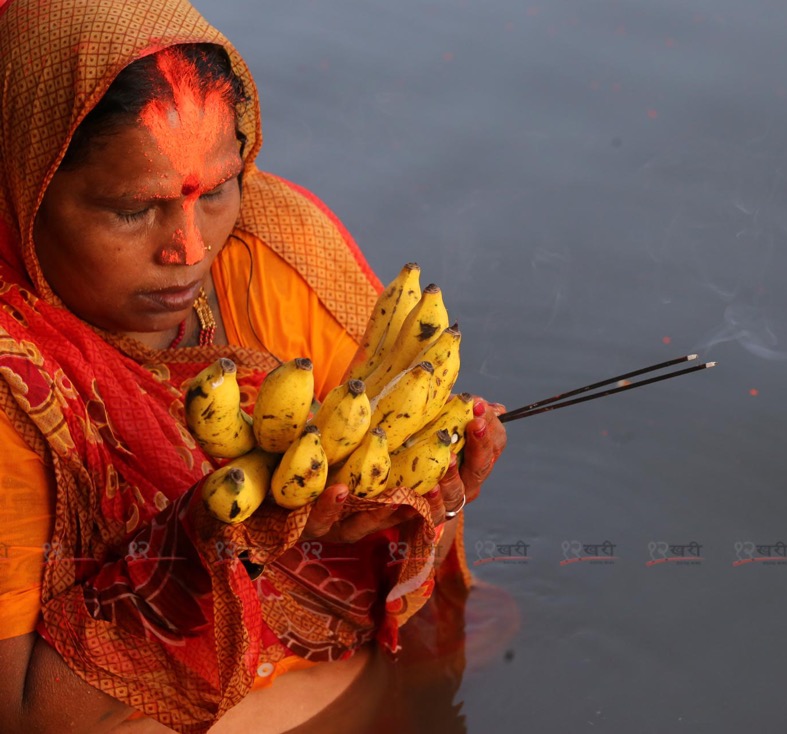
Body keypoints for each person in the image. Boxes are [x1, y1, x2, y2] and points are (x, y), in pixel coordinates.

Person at [0, 0, 508, 731]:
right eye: (131, 209)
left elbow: (407, 555)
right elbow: (22, 714)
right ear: (27, 185)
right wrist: (214, 545)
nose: (189, 249)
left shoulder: (279, 254)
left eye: (216, 192)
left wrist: (431, 502)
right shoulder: (16, 378)